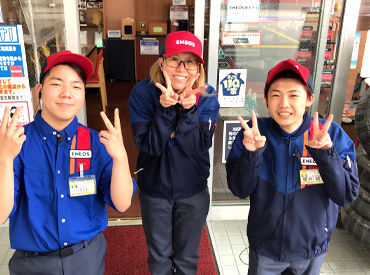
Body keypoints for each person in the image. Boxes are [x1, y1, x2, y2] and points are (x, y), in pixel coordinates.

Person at [0, 51, 137, 275]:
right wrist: (4, 159)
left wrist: (121, 158)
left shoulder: (96, 142)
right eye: (57, 84)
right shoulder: (16, 143)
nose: (67, 94)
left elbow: (122, 204)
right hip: (33, 264)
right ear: (40, 91)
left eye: (76, 87)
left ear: (83, 94)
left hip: (87, 258)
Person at [226, 59, 359, 275]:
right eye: (276, 95)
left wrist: (326, 154)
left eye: (294, 95)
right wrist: (252, 153)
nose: (284, 104)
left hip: (311, 249)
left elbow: (345, 195)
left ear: (309, 99)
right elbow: (239, 190)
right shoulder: (253, 133)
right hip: (265, 248)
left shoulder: (331, 135)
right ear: (267, 100)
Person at [128, 31, 220, 274]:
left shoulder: (207, 98)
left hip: (193, 191)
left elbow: (198, 148)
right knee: (158, 257)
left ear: (199, 69)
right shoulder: (142, 93)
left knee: (187, 257)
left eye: (190, 61)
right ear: (161, 62)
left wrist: (190, 112)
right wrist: (165, 109)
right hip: (154, 190)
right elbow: (150, 146)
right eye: (174, 59)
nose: (182, 68)